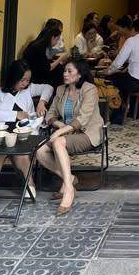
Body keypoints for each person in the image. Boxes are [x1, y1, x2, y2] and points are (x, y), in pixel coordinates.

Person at [0, 60, 53, 215]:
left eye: (28, 80)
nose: (25, 83)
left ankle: (29, 183)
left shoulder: (28, 90)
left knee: (21, 150)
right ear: (13, 77)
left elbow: (48, 87)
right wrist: (15, 114)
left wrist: (41, 102)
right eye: (22, 80)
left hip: (24, 134)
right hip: (0, 136)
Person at [37, 59, 103, 215]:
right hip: (67, 134)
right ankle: (70, 180)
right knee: (40, 150)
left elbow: (82, 119)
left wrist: (59, 132)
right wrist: (59, 125)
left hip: (87, 134)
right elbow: (50, 114)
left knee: (58, 142)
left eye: (69, 71)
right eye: (64, 71)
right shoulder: (61, 90)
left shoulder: (89, 89)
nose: (65, 74)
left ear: (79, 74)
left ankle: (68, 191)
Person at [102, 15, 139, 103]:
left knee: (112, 77)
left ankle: (119, 108)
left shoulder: (132, 40)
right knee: (124, 77)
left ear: (133, 29)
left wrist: (108, 71)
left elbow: (118, 62)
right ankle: (133, 107)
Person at [23, 23, 65, 88]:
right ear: (52, 38)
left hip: (33, 73)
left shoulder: (35, 43)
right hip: (35, 78)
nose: (57, 42)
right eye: (57, 39)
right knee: (59, 69)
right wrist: (61, 58)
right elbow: (48, 68)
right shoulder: (39, 48)